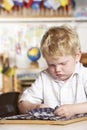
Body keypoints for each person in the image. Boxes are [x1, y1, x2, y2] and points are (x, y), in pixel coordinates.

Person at [18, 25, 87, 119]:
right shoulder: (44, 77)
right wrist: (35, 107)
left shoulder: (84, 75)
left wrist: (74, 109)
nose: (57, 69)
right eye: (51, 65)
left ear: (77, 56)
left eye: (63, 63)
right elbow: (23, 103)